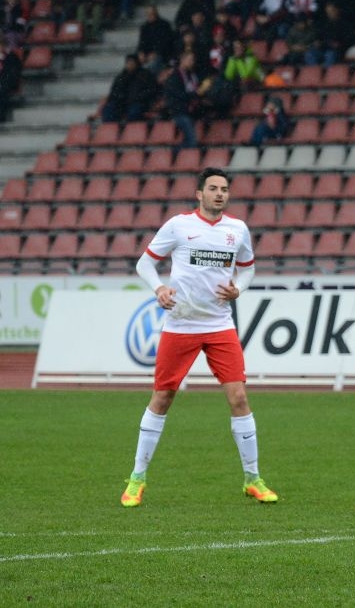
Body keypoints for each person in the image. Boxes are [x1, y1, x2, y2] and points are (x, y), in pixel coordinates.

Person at [121, 167, 278, 507]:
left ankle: (253, 478)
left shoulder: (237, 230)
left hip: (220, 326)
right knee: (162, 398)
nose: (220, 193)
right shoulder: (179, 225)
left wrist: (240, 288)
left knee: (239, 398)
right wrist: (159, 287)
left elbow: (248, 268)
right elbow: (144, 264)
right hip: (180, 325)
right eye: (213, 188)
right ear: (199, 193)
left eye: (224, 189)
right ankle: (137, 478)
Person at [101, 53, 159, 123]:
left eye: (132, 62)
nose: (130, 64)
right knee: (109, 109)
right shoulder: (121, 77)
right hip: (122, 103)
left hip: (140, 102)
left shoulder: (146, 75)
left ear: (137, 63)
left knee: (134, 112)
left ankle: (131, 131)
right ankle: (111, 130)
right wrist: (119, 98)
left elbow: (152, 90)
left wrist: (138, 98)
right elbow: (114, 92)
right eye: (128, 62)